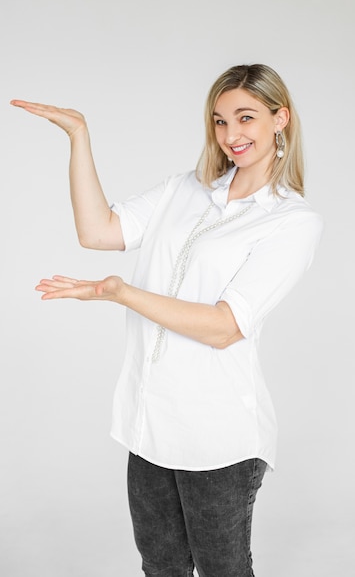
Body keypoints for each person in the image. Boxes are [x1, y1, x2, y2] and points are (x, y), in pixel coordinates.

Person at [11, 63, 323, 577]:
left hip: (218, 435)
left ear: (280, 118)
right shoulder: (186, 190)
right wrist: (78, 135)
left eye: (246, 118)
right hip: (149, 421)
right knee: (161, 567)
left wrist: (122, 293)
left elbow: (225, 326)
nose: (231, 135)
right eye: (220, 121)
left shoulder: (291, 221)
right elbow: (98, 231)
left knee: (222, 569)